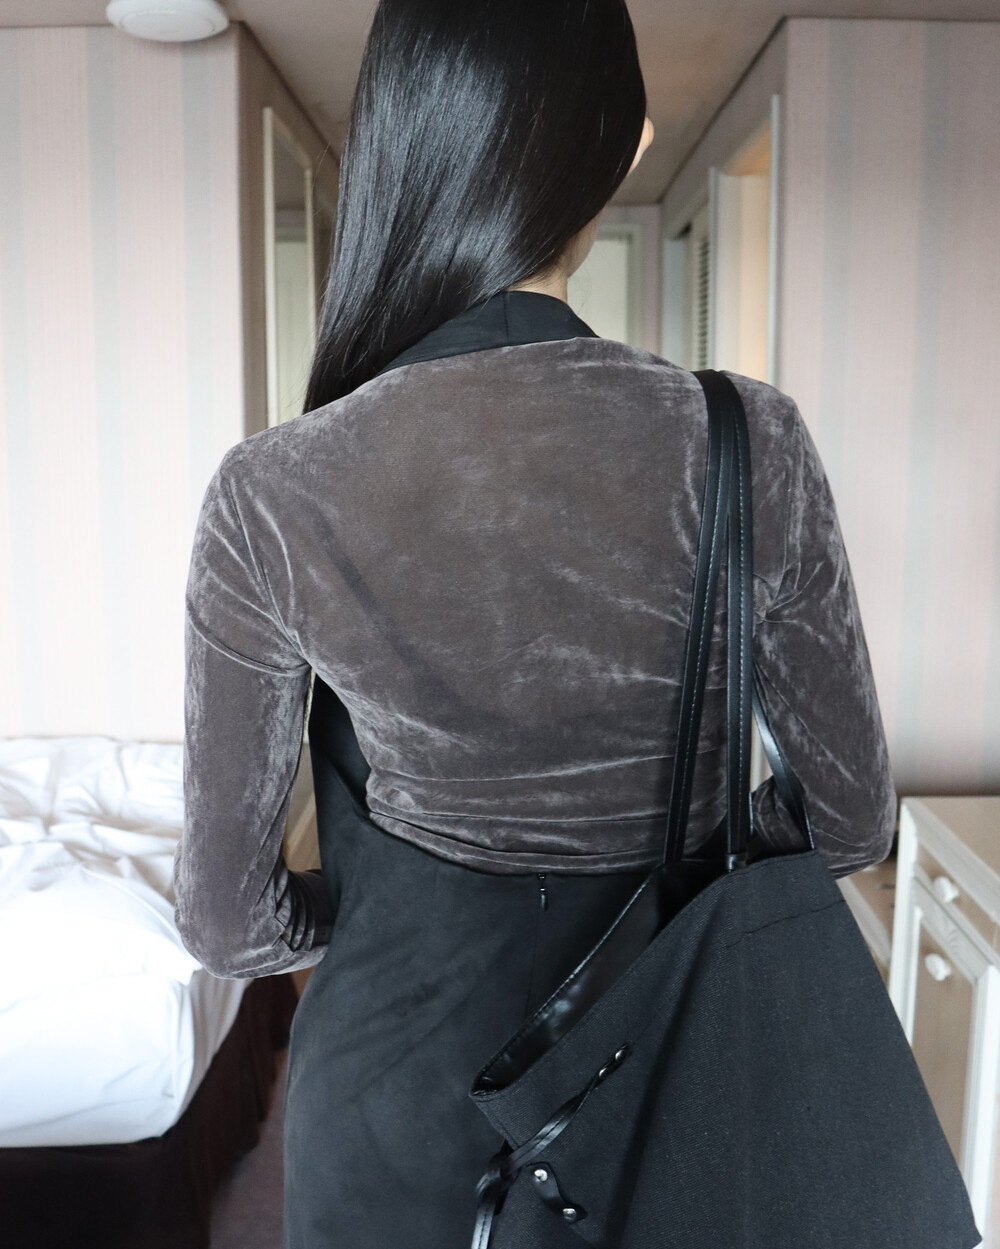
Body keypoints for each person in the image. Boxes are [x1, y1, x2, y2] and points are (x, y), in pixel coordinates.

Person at [172, 1, 897, 1245]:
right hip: (664, 1081)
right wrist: (687, 863)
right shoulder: (748, 441)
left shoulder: (274, 489)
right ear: (614, 149)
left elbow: (227, 923)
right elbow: (846, 819)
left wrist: (385, 905)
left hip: (390, 1105)